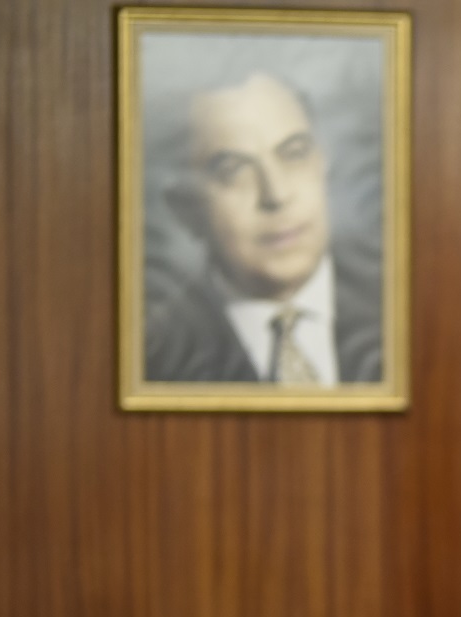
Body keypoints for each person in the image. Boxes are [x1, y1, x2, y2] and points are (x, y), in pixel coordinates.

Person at [145, 68, 382, 385]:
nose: (277, 195)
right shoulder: (153, 354)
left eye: (294, 154)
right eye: (234, 170)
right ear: (185, 208)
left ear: (321, 163)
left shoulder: (404, 306)